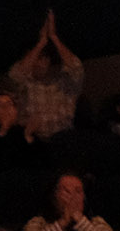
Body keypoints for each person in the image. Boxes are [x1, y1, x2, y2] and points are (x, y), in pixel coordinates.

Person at [6, 9, 83, 140]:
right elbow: (17, 74)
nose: (41, 62)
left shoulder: (64, 83)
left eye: (44, 58)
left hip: (63, 141)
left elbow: (76, 68)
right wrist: (41, 43)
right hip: (33, 142)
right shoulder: (24, 86)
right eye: (36, 57)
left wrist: (54, 37)